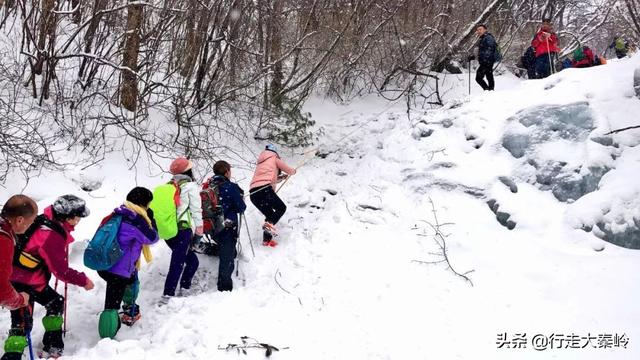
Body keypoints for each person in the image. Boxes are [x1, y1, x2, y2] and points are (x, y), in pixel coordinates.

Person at [2, 195, 94, 360]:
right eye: (78, 217)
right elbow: (61, 272)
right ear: (69, 218)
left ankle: (52, 344)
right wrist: (84, 280)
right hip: (23, 280)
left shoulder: (44, 220)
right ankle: (15, 354)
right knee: (22, 323)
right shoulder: (51, 235)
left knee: (54, 303)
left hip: (26, 276)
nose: (79, 220)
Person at [96, 187, 159, 339]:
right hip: (119, 269)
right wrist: (151, 221)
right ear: (144, 204)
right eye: (148, 204)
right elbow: (152, 238)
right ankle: (106, 337)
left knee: (131, 283)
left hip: (105, 264)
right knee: (111, 305)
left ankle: (131, 311)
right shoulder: (135, 221)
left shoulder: (118, 213)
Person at [155, 157, 203, 303]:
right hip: (182, 230)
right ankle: (167, 295)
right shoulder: (190, 186)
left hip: (168, 231)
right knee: (177, 262)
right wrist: (199, 231)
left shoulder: (168, 186)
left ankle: (184, 288)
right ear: (188, 171)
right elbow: (196, 210)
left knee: (192, 261)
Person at [204, 161, 246, 291]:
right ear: (227, 171)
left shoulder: (209, 186)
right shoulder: (231, 187)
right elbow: (241, 208)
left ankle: (207, 249)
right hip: (227, 226)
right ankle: (224, 289)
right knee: (227, 259)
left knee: (229, 252)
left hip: (211, 226)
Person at [249, 144, 296, 247]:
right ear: (275, 152)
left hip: (253, 193)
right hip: (265, 190)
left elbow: (266, 178)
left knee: (270, 215)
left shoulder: (261, 163)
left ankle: (266, 240)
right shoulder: (274, 157)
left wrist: (281, 178)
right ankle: (269, 227)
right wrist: (293, 171)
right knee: (281, 208)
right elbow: (288, 169)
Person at [0, 195, 37, 311]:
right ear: (20, 220)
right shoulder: (3, 240)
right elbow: (1, 287)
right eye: (31, 221)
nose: (31, 225)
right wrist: (19, 300)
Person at [468, 24, 498, 91]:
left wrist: (485, 60)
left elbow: (489, 50)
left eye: (480, 29)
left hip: (487, 62)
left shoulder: (488, 38)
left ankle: (487, 90)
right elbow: (481, 51)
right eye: (478, 30)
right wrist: (473, 57)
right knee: (489, 76)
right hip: (488, 61)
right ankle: (491, 91)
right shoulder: (484, 38)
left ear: (485, 30)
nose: (479, 31)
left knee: (478, 78)